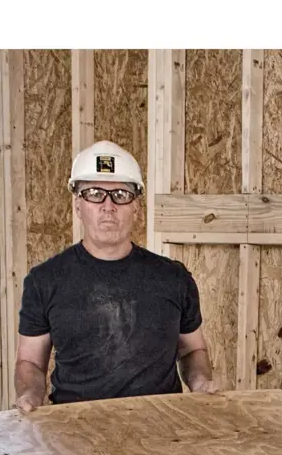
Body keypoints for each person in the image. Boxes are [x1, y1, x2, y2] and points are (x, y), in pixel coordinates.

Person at [15, 140, 218, 412]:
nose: (108, 206)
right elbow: (30, 361)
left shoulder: (174, 278)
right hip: (76, 428)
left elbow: (193, 350)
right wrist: (29, 394)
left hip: (163, 427)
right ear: (78, 204)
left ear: (135, 206)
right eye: (95, 193)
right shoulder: (44, 280)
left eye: (121, 194)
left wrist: (201, 382)